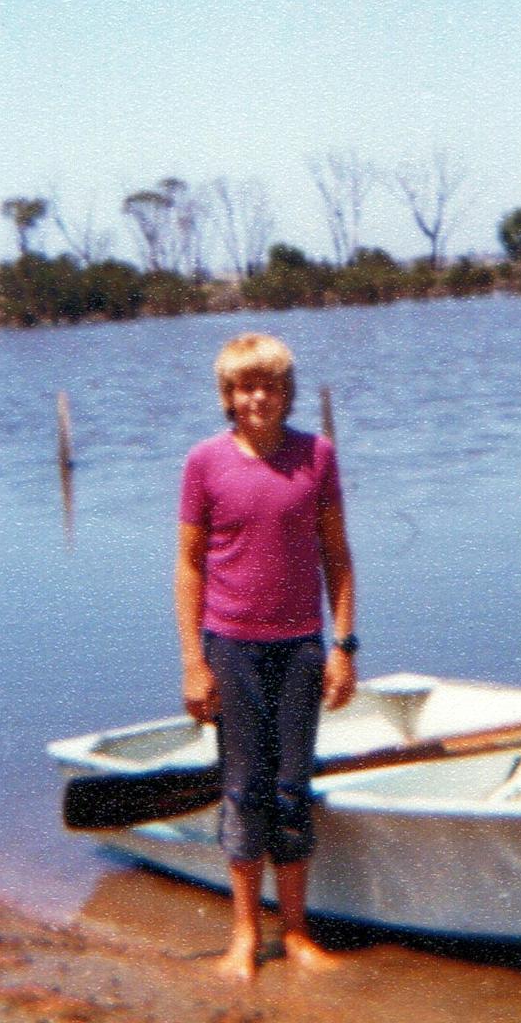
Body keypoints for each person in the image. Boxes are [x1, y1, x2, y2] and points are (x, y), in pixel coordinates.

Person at [175, 332, 357, 982]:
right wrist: (194, 662)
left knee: (290, 789)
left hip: (302, 646)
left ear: (287, 392)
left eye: (269, 385)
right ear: (227, 396)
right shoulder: (203, 463)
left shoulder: (317, 456)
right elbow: (189, 566)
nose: (257, 398)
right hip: (232, 648)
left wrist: (343, 646)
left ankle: (298, 931)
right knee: (243, 788)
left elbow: (337, 556)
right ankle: (244, 934)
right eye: (245, 387)